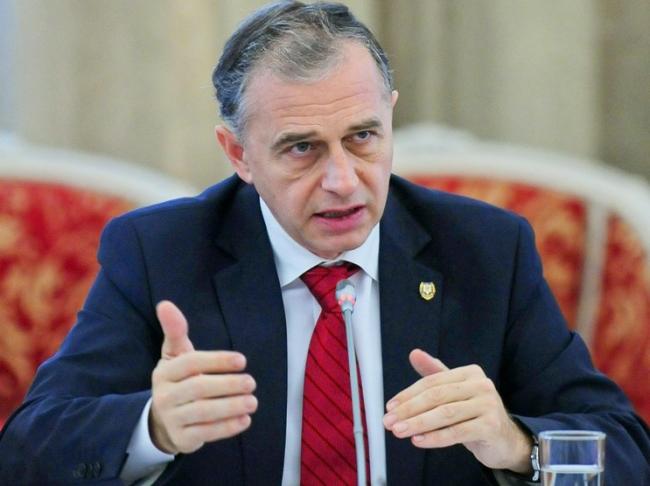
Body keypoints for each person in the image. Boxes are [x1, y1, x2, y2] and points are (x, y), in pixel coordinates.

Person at [0, 1, 648, 485]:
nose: (342, 181)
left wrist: (516, 443)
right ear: (238, 153)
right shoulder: (160, 253)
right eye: (301, 148)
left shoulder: (485, 250)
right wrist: (153, 427)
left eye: (363, 137)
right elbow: (27, 451)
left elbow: (623, 449)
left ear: (390, 116)